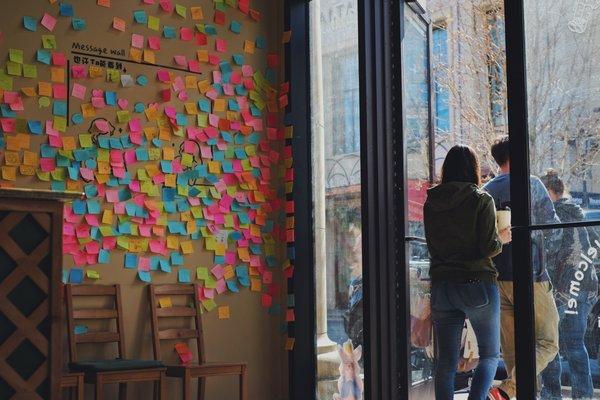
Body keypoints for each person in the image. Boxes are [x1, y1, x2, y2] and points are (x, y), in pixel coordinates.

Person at [424, 145, 511, 400]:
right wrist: (501, 238)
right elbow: (487, 246)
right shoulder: (480, 199)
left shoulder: (432, 203)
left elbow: (432, 246)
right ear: (473, 169)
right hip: (477, 285)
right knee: (490, 355)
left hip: (443, 287)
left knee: (446, 362)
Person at [483, 136, 560, 400]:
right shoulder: (532, 184)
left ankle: (519, 393)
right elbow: (554, 231)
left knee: (514, 353)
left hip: (497, 279)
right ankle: (507, 390)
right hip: (532, 276)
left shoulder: (486, 191)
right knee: (548, 342)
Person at [540, 169, 598, 400]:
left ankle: (552, 395)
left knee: (550, 344)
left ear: (549, 192)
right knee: (575, 345)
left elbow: (553, 252)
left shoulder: (555, 214)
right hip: (583, 285)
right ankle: (583, 396)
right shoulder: (579, 214)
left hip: (562, 288)